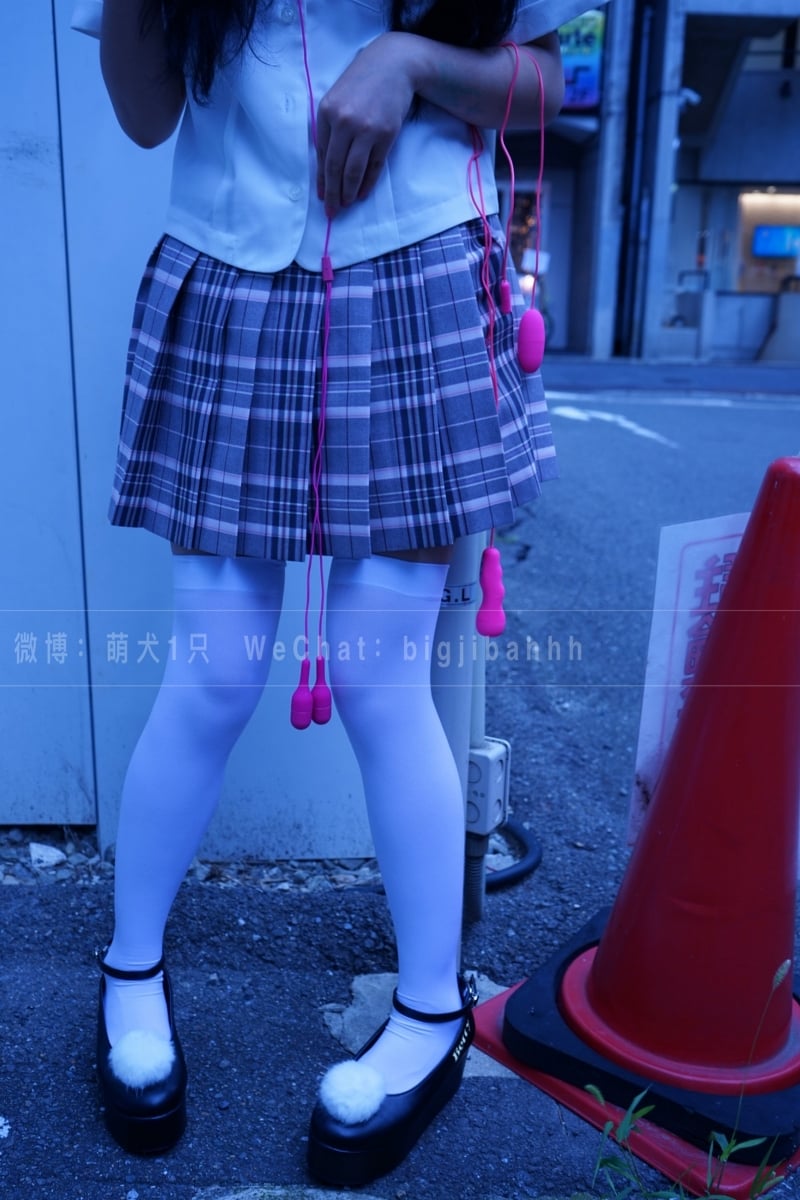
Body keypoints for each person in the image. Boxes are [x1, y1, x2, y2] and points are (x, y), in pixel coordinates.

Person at [72, 0, 581, 1185]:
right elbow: (144, 114)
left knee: (377, 676)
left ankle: (428, 1011)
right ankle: (129, 972)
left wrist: (410, 58)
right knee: (213, 671)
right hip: (227, 268)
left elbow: (545, 84)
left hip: (415, 272)